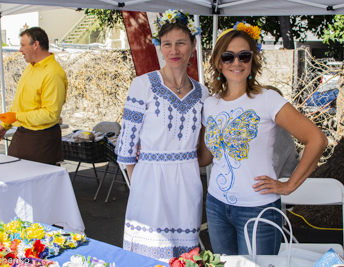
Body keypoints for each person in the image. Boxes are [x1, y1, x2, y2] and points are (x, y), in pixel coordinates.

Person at [197, 22, 328, 255]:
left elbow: (316, 139)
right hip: (216, 206)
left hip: (258, 209)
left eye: (243, 56)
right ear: (218, 62)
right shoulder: (210, 103)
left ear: (252, 60)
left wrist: (288, 186)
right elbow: (205, 158)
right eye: (228, 57)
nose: (236, 62)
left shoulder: (267, 99)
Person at [116, 9, 208, 262]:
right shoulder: (142, 85)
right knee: (147, 254)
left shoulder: (203, 93)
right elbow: (127, 145)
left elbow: (205, 143)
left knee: (184, 255)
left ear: (193, 45)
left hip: (187, 179)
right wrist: (140, 184)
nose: (174, 50)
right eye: (167, 44)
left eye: (181, 43)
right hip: (149, 179)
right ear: (159, 47)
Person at [0, 27, 68, 165]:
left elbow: (51, 114)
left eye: (22, 45)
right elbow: (20, 103)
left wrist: (16, 117)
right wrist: (6, 124)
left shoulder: (53, 73)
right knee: (12, 177)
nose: (20, 50)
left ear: (36, 45)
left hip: (42, 140)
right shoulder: (30, 67)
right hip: (22, 134)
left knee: (36, 184)